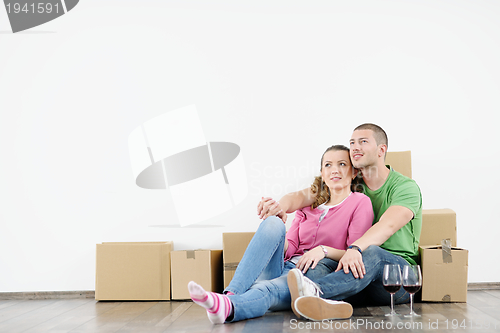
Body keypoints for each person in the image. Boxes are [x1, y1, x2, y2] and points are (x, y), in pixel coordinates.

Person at [187, 145, 374, 324]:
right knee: (273, 223)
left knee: (267, 289)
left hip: (310, 273)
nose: (335, 170)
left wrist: (322, 250)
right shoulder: (309, 207)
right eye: (328, 165)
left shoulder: (360, 203)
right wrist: (276, 233)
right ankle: (231, 294)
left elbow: (354, 253)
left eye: (342, 164)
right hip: (284, 265)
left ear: (354, 172)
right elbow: (291, 246)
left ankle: (228, 308)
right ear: (322, 175)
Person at [258, 123, 422, 321]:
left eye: (363, 141)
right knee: (315, 265)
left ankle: (313, 294)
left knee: (373, 253)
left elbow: (387, 226)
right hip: (356, 275)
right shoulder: (349, 181)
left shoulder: (405, 187)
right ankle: (327, 304)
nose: (355, 147)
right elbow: (300, 196)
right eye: (352, 142)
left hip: (396, 277)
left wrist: (355, 249)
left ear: (381, 150)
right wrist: (278, 208)